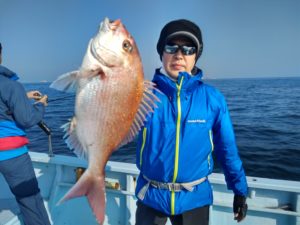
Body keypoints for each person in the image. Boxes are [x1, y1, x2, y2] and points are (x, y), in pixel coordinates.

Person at [135, 19, 248, 225]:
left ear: (196, 56)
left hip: (195, 199)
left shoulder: (212, 99)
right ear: (162, 52)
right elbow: (114, 128)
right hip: (150, 196)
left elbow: (227, 149)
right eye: (171, 47)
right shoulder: (140, 95)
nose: (179, 54)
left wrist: (239, 190)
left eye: (188, 49)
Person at [0, 42, 51, 225]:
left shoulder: (13, 89)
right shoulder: (11, 86)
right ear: (1, 55)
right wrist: (41, 105)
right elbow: (27, 120)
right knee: (30, 201)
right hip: (11, 156)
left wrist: (24, 96)